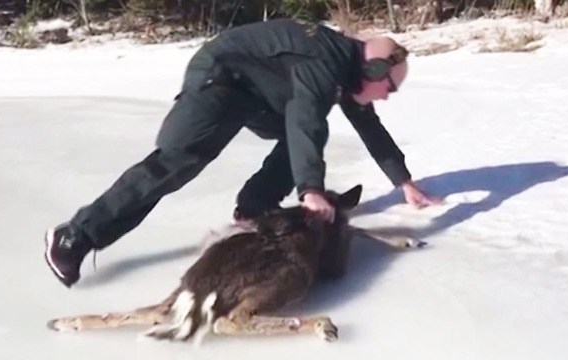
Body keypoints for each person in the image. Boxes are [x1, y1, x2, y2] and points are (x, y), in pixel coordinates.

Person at [44, 18, 441, 288]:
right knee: (177, 163)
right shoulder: (327, 61)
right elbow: (305, 119)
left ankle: (253, 207)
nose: (386, 98)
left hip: (260, 93)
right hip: (221, 78)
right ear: (374, 72)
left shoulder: (348, 69)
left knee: (302, 139)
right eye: (390, 88)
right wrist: (311, 190)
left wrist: (402, 182)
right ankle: (75, 234)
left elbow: (368, 126)